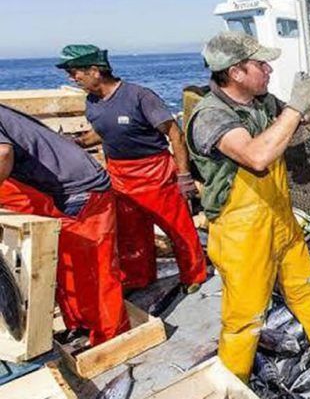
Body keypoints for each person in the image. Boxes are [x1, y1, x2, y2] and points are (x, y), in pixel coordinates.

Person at [186, 31, 310, 381]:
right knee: (245, 314)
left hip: (278, 215)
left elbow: (304, 117)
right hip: (240, 231)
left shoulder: (259, 102)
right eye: (260, 64)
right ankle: (233, 382)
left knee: (304, 279)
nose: (269, 69)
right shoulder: (211, 116)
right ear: (235, 73)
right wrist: (292, 107)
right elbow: (257, 157)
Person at [56, 45, 207, 293]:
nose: (72, 79)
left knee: (178, 228)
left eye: (74, 73)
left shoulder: (139, 97)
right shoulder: (92, 102)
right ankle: (140, 278)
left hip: (155, 173)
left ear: (95, 71)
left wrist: (184, 175)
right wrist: (81, 142)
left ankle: (194, 274)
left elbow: (175, 134)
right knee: (131, 234)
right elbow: (102, 131)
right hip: (120, 176)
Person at [0, 104, 129, 346]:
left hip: (80, 191)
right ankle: (81, 327)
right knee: (64, 264)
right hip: (58, 189)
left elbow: (3, 154)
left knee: (94, 271)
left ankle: (111, 338)